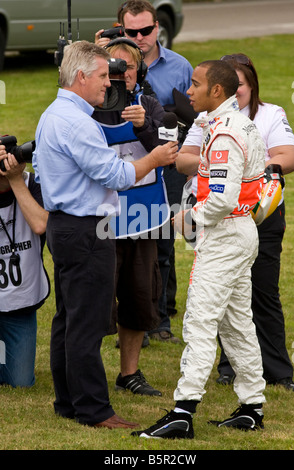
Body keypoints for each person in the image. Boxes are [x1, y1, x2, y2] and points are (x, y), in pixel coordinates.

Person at [32, 40, 177, 429]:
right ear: (80, 76)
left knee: (69, 318)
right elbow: (115, 175)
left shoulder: (57, 113)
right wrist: (156, 158)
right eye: (101, 76)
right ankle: (95, 410)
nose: (107, 85)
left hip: (68, 226)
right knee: (87, 323)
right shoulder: (75, 121)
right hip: (85, 230)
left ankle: (68, 402)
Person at [132, 60, 266, 439]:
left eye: (195, 84)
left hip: (225, 235)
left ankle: (182, 412)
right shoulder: (226, 123)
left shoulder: (225, 133)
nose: (188, 91)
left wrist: (187, 219)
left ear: (217, 91)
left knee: (199, 322)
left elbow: (222, 200)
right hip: (237, 234)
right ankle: (252, 407)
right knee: (236, 323)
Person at [95, 0, 193, 343]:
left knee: (158, 249)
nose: (139, 37)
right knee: (113, 260)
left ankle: (157, 319)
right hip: (110, 197)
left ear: (158, 27)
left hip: (160, 173)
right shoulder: (98, 79)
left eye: (146, 30)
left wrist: (146, 125)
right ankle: (118, 323)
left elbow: (185, 123)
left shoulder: (178, 67)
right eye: (131, 32)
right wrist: (96, 55)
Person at [214, 53, 294, 391]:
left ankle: (278, 371)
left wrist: (260, 167)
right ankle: (228, 367)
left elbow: (290, 156)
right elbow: (186, 159)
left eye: (242, 86)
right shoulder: (208, 118)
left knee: (264, 291)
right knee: (226, 293)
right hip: (222, 217)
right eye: (229, 86)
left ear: (253, 85)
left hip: (263, 215)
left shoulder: (270, 114)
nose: (236, 93)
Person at [92, 37, 169, 396]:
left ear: (139, 72)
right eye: (114, 67)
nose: (121, 75)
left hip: (142, 215)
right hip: (99, 216)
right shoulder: (87, 106)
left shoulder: (149, 105)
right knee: (95, 299)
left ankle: (129, 373)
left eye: (129, 67)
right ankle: (88, 371)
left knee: (139, 296)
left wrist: (144, 127)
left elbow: (170, 153)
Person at [0, 147, 50, 387]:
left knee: (20, 383)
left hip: (19, 305)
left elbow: (41, 225)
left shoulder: (33, 184)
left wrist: (15, 179)